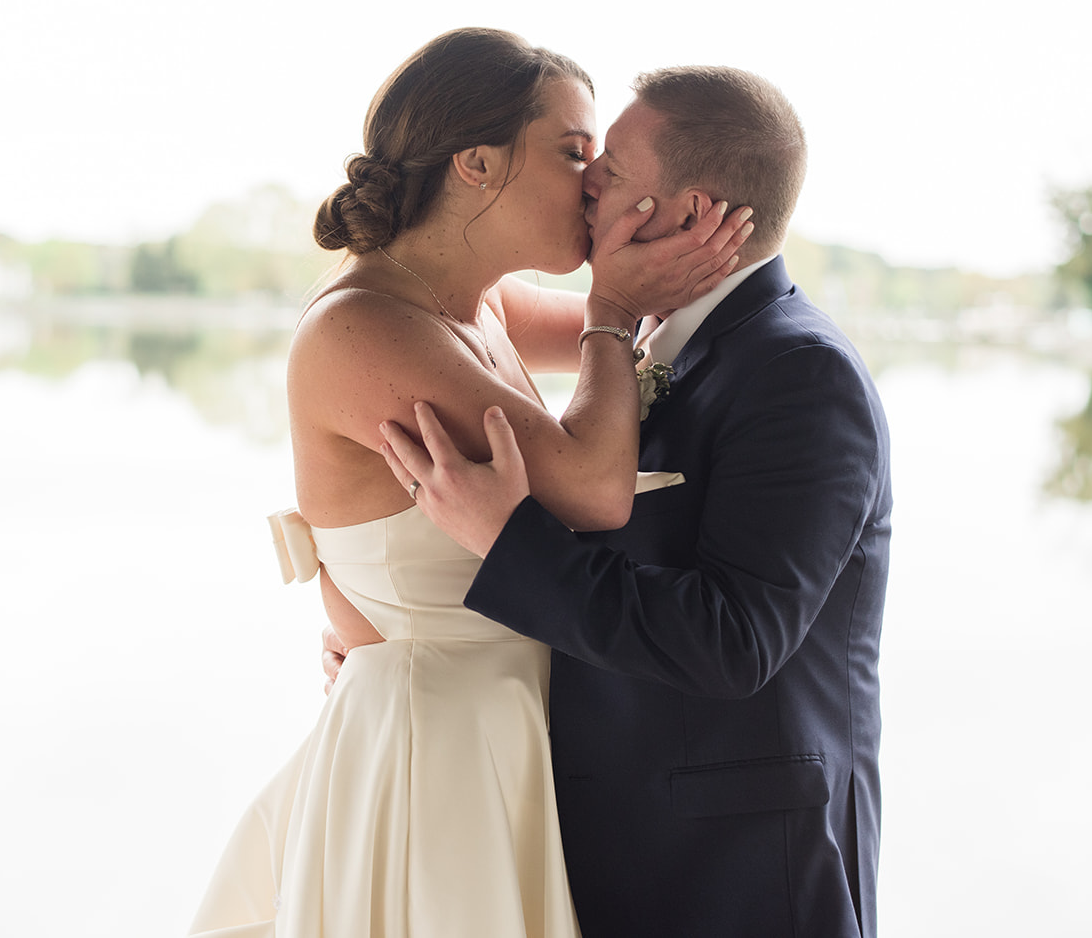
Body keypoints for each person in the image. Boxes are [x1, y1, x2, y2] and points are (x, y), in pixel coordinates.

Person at [187, 30, 751, 937]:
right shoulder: (365, 326)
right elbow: (593, 486)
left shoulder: (477, 304)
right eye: (574, 154)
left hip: (501, 730)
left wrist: (677, 249)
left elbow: (645, 337)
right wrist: (610, 304)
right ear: (477, 164)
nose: (596, 182)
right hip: (434, 754)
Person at [378, 66, 891, 938]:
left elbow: (734, 642)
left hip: (744, 874)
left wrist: (508, 541)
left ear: (688, 215)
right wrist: (395, 640)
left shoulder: (800, 374)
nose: (587, 185)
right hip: (617, 844)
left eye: (609, 170)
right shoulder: (643, 339)